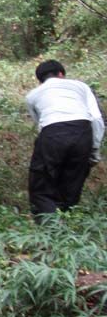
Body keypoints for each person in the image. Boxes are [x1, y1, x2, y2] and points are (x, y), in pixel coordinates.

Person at [25, 60, 103, 219]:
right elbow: (96, 119)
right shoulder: (81, 86)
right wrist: (94, 150)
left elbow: (41, 124)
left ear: (40, 81)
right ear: (61, 74)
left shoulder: (32, 96)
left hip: (52, 131)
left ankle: (48, 224)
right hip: (83, 131)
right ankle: (66, 221)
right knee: (72, 182)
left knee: (41, 185)